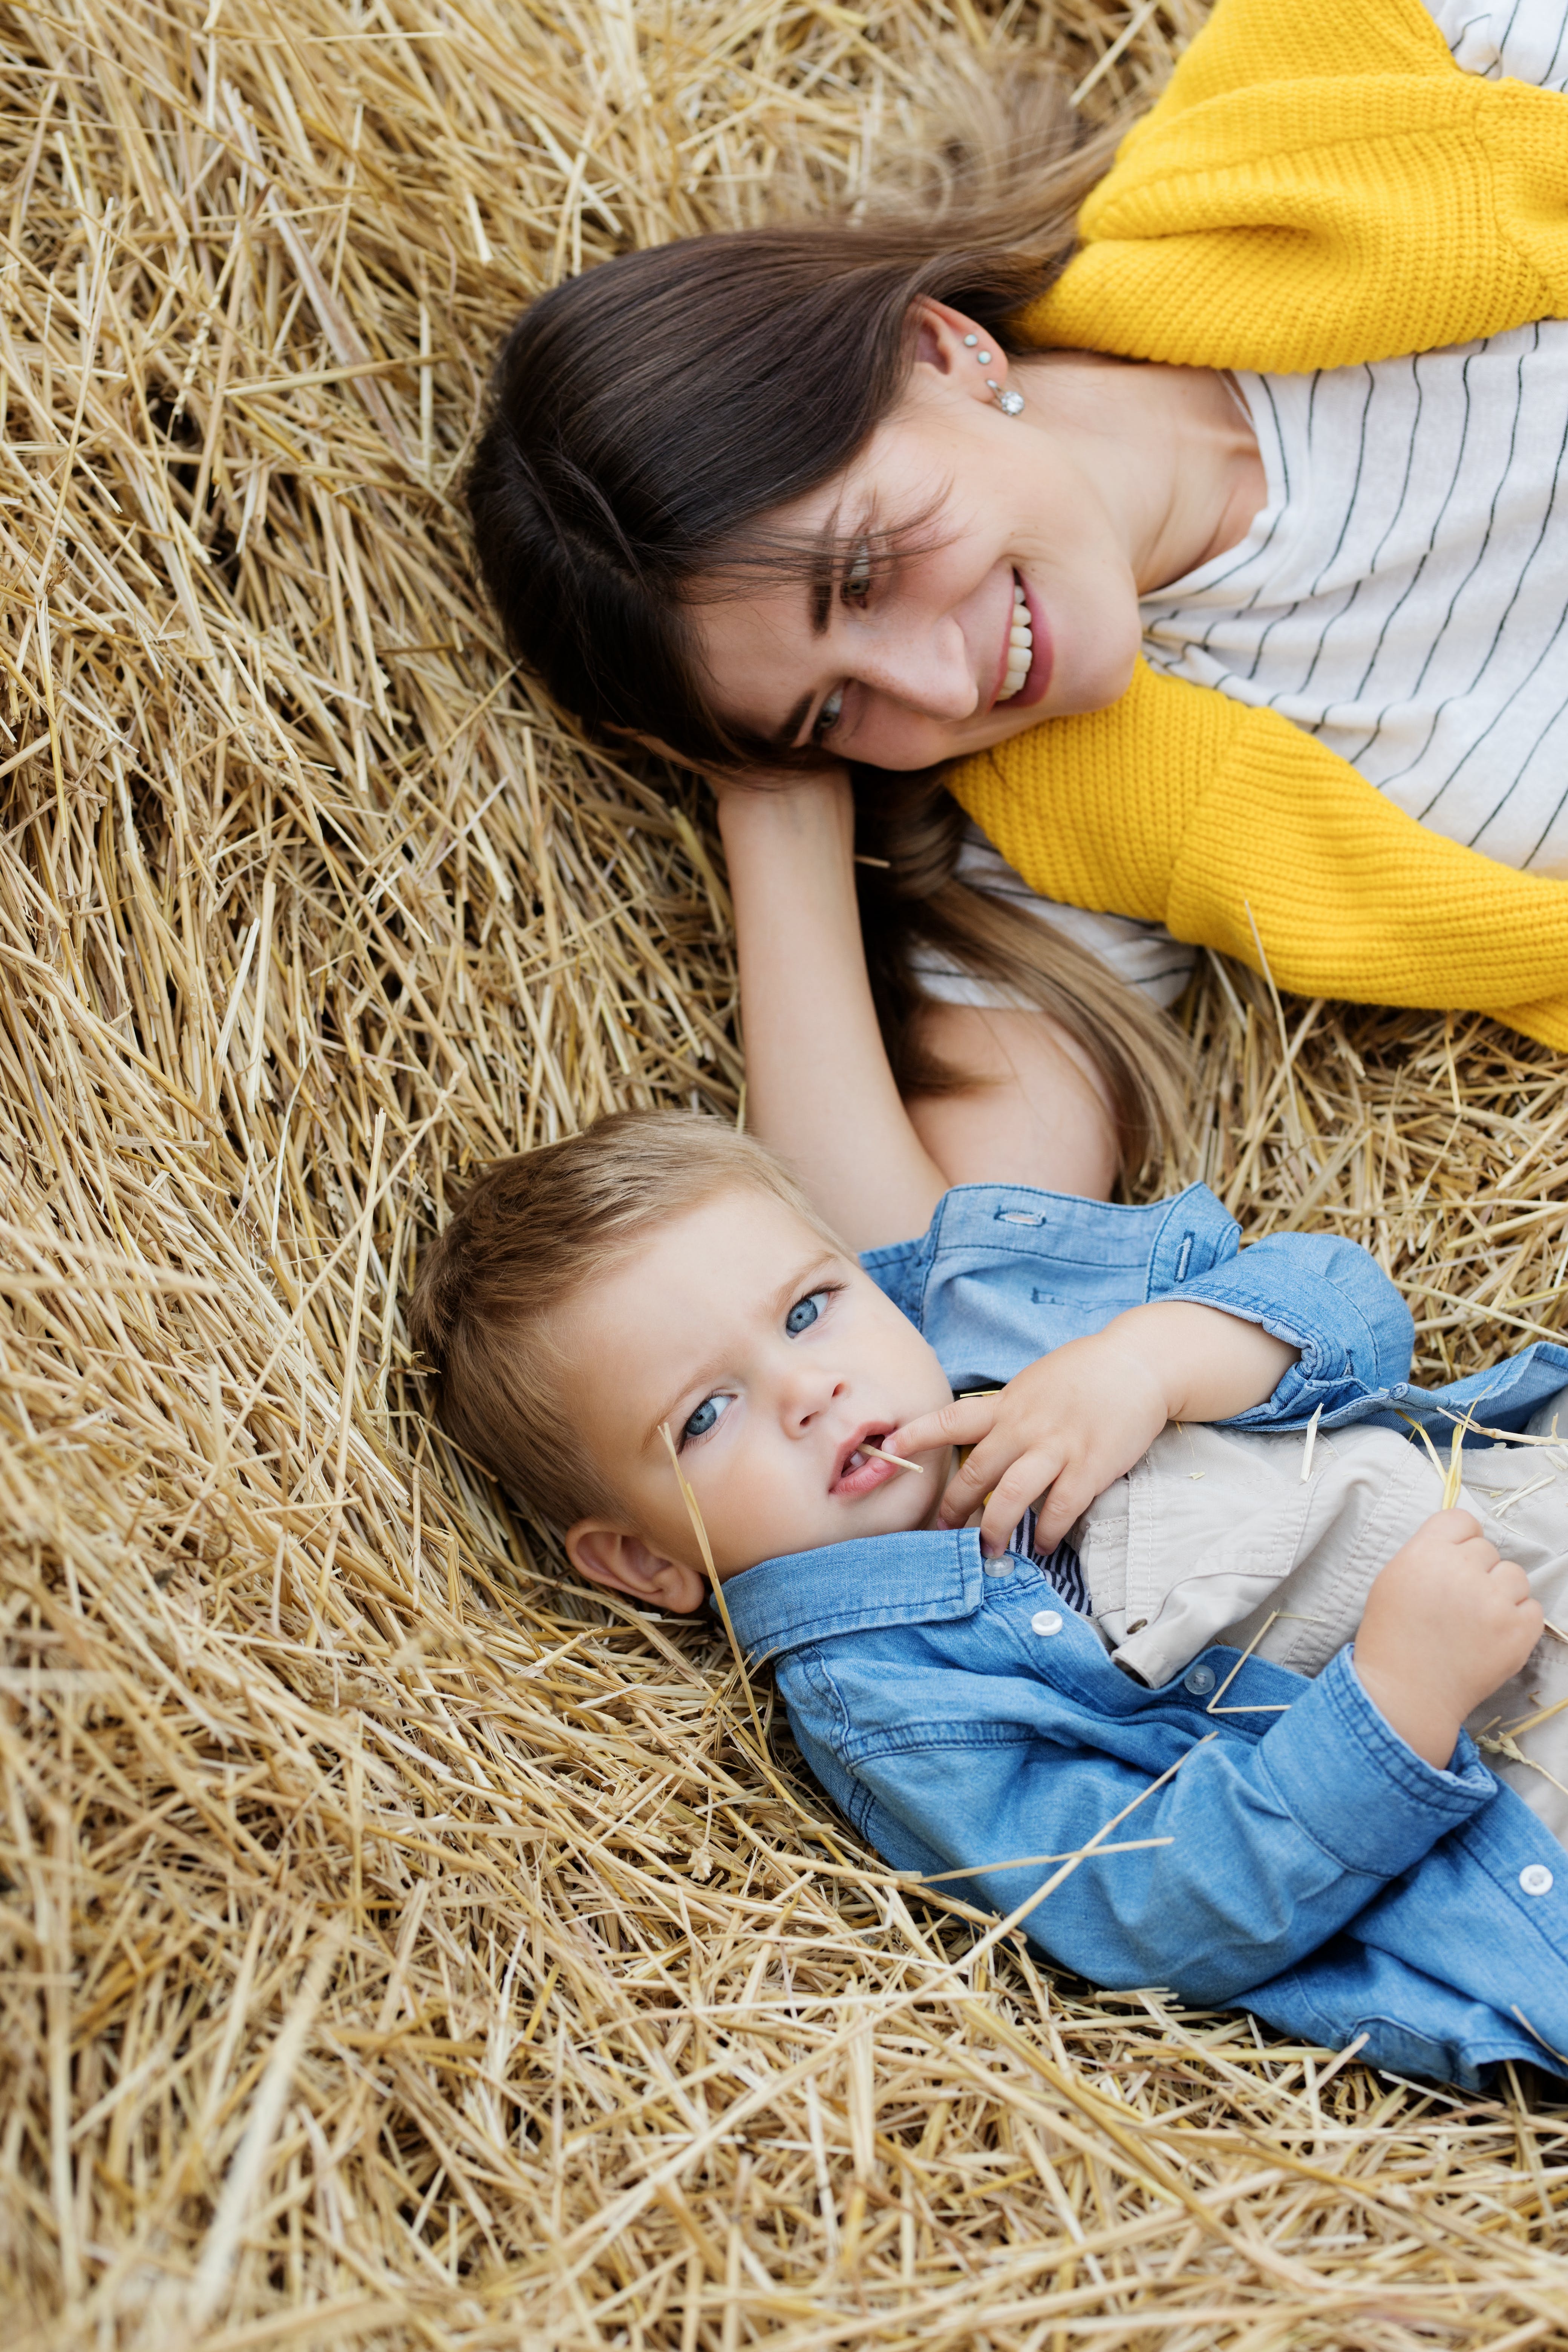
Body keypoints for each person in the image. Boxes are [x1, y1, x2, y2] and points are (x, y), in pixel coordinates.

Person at [409, 769, 1568, 2086]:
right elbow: (1159, 1908)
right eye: (709, 1414)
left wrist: (1147, 1363)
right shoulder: (896, 1700)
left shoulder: (1000, 1326)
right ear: (646, 1562)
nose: (812, 1391)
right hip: (1517, 1786)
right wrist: (1399, 1703)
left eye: (808, 1311)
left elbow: (1353, 1313)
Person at [466, 0, 1568, 1201]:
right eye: (837, 709)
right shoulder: (1084, 825)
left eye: (864, 574)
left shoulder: (1376, 92)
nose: (942, 690)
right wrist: (768, 790)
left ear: (943, 352)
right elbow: (950, 1271)